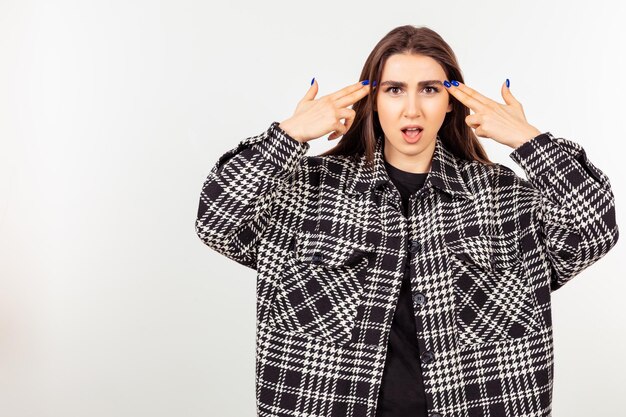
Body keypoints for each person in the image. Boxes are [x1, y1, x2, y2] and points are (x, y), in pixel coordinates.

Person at [195, 25, 618, 417]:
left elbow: (594, 232)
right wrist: (287, 135)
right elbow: (217, 221)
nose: (412, 109)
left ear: (451, 101)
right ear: (371, 99)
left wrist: (530, 142)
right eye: (395, 89)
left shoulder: (504, 198)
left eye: (429, 89)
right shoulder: (305, 192)